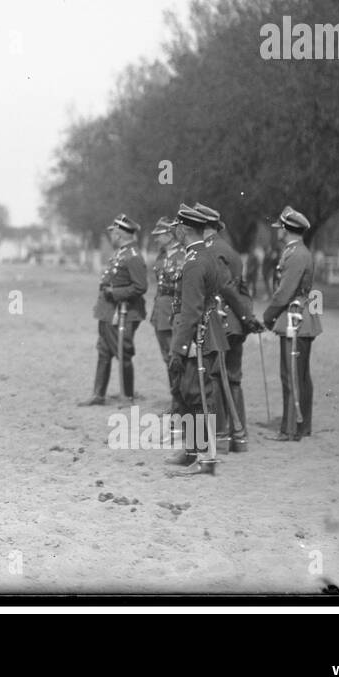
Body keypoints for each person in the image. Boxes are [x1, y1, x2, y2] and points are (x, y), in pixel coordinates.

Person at [196, 203, 264, 453]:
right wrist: (247, 318)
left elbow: (225, 288)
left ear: (202, 226)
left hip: (221, 323)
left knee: (216, 377)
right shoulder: (230, 250)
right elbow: (243, 290)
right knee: (233, 378)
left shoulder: (210, 251)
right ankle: (240, 437)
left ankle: (223, 437)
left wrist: (245, 318)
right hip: (234, 322)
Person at [165, 204, 226, 475]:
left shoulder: (193, 262)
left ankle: (205, 458)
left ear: (185, 229)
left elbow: (190, 310)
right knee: (194, 395)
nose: (174, 232)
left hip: (195, 339)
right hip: (205, 333)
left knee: (196, 396)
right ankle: (192, 451)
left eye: (177, 227)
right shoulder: (206, 255)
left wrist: (178, 348)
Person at [261, 206, 321, 441]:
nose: (278, 232)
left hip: (294, 319)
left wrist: (268, 316)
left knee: (292, 376)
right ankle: (301, 425)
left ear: (286, 230)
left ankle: (291, 428)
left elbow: (284, 292)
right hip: (300, 318)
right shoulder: (298, 251)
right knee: (300, 375)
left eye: (280, 228)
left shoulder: (295, 254)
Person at [86, 214, 147, 406]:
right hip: (109, 311)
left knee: (123, 352)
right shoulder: (121, 253)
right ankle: (98, 394)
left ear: (119, 234)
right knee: (104, 351)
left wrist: (116, 292)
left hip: (124, 312)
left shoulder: (133, 256)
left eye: (112, 232)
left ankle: (127, 396)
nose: (111, 236)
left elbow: (140, 287)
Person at [148, 217, 185, 412]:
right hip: (161, 310)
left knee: (176, 357)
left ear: (170, 235)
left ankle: (180, 403)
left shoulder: (184, 254)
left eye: (159, 235)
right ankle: (176, 400)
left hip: (175, 309)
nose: (156, 239)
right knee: (167, 357)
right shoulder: (161, 256)